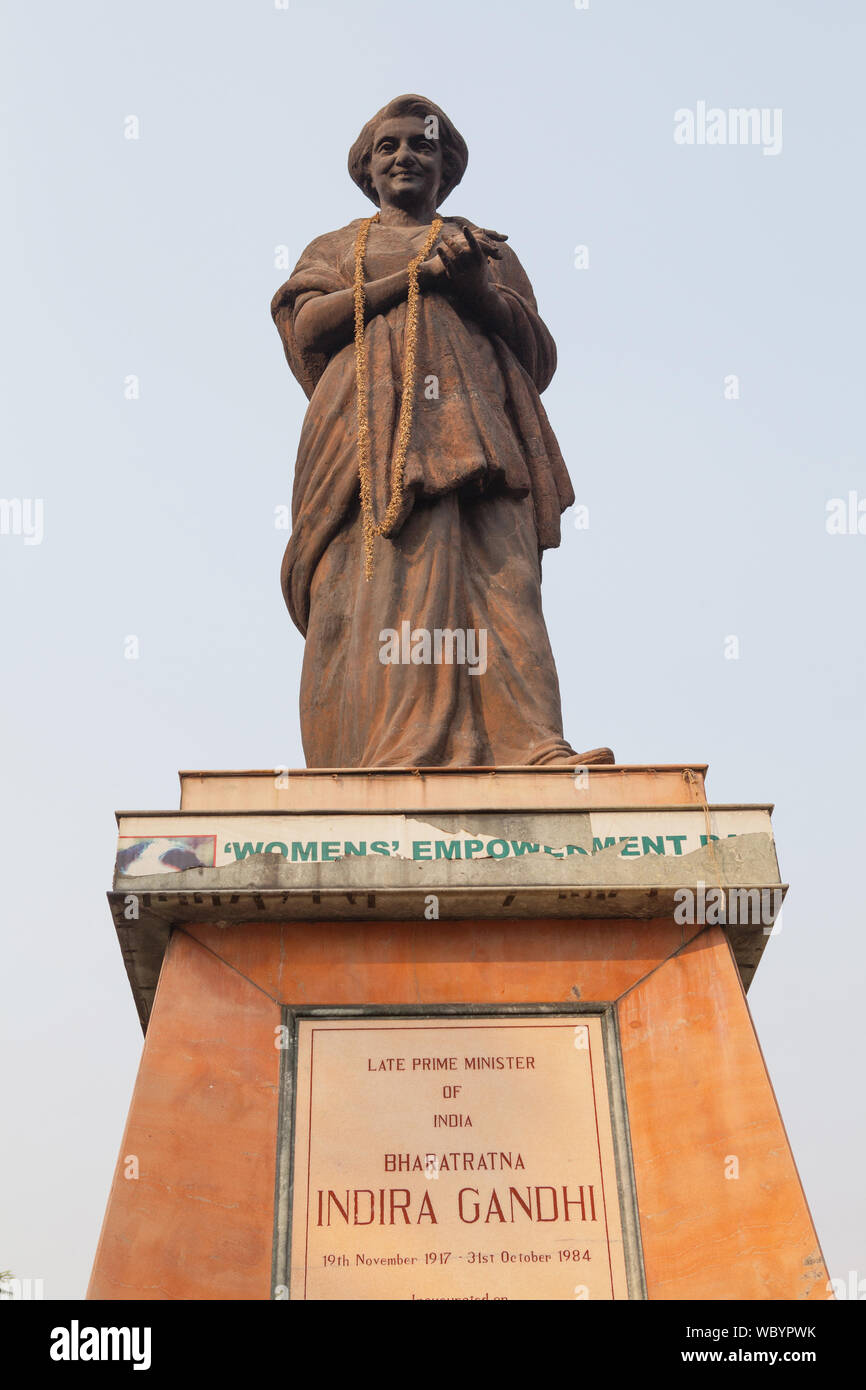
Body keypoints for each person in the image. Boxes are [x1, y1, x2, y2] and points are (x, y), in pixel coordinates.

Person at [271, 94, 613, 768]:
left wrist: (476, 290)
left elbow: (537, 354)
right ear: (367, 169)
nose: (405, 156)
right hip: (365, 441)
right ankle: (389, 750)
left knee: (505, 582)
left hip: (481, 435)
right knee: (384, 583)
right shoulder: (338, 247)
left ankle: (533, 747)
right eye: (389, 147)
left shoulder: (481, 250)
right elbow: (308, 328)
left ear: (445, 168)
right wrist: (420, 278)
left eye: (422, 146)